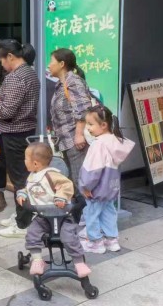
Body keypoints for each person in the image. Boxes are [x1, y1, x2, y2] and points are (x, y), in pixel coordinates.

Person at [0, 40, 39, 229]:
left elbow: (7, 112)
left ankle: (23, 223)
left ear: (10, 56)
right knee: (23, 175)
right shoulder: (29, 72)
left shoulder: (16, 77)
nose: (2, 64)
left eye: (2, 60)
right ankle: (21, 214)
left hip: (14, 133)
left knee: (19, 178)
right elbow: (15, 103)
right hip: (24, 130)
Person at [18, 142, 91, 278]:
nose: (24, 161)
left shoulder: (51, 175)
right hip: (43, 216)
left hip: (63, 216)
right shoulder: (32, 176)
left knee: (69, 237)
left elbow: (66, 185)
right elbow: (29, 189)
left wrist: (61, 197)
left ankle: (79, 262)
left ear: (35, 163)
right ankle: (37, 260)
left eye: (26, 158)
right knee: (32, 233)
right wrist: (22, 194)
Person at [79, 105, 135, 254]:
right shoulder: (115, 141)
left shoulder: (98, 144)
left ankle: (95, 242)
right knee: (109, 212)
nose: (88, 128)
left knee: (92, 214)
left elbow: (92, 169)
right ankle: (112, 240)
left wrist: (85, 187)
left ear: (103, 125)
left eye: (90, 124)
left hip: (96, 188)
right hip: (111, 186)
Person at [48, 48, 93, 181]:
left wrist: (79, 135)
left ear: (62, 64)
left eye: (51, 62)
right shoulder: (61, 83)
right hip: (67, 140)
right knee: (74, 178)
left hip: (75, 141)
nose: (49, 65)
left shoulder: (73, 81)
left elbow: (83, 109)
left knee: (80, 180)